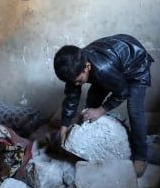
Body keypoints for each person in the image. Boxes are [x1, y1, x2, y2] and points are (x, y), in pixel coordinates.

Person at [53, 34, 154, 176]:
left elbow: (122, 92)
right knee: (92, 101)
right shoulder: (76, 67)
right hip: (113, 66)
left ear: (86, 67)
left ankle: (141, 157)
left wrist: (101, 110)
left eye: (78, 80)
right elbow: (71, 96)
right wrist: (64, 125)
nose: (76, 84)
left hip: (136, 65)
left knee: (134, 109)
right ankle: (85, 133)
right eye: (73, 82)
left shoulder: (102, 69)